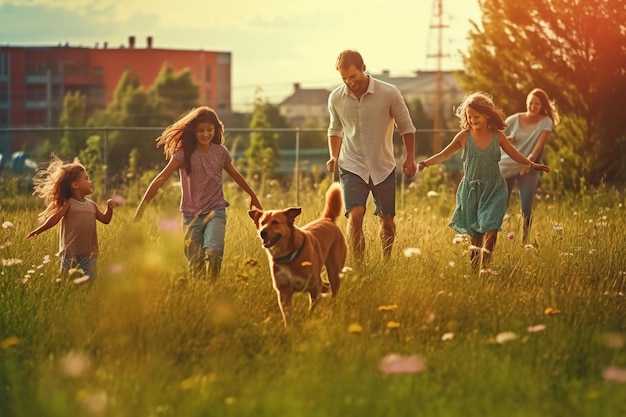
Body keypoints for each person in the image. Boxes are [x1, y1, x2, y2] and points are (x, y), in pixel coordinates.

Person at [417, 92, 550, 272]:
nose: (472, 120)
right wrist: (426, 163)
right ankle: (474, 271)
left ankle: (485, 268)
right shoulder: (464, 137)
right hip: (471, 190)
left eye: (476, 117)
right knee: (476, 235)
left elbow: (514, 153)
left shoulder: (498, 136)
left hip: (494, 187)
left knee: (491, 227)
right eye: (469, 117)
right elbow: (444, 154)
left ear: (487, 114)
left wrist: (531, 163)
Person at [133, 106, 262, 279]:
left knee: (214, 251)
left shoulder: (220, 152)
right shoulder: (183, 154)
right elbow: (160, 178)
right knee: (195, 264)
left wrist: (252, 195)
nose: (205, 134)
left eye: (210, 130)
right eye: (201, 130)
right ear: (193, 131)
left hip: (216, 210)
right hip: (190, 214)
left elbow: (235, 174)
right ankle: (201, 292)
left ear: (216, 130)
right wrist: (142, 206)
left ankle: (213, 285)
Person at [326, 49, 417, 263]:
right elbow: (335, 129)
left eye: (353, 77)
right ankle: (359, 265)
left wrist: (409, 157)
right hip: (351, 164)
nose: (350, 82)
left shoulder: (389, 93)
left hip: (382, 165)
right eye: (344, 78)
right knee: (355, 215)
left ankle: (386, 261)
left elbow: (407, 127)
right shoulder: (336, 98)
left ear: (363, 69)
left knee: (386, 221)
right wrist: (334, 156)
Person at [26, 155, 115, 279]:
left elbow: (106, 220)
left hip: (89, 253)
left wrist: (109, 209)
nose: (90, 181)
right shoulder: (69, 204)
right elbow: (55, 218)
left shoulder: (92, 205)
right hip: (70, 253)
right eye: (86, 178)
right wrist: (38, 230)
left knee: (88, 281)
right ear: (75, 185)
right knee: (67, 280)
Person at [499, 88, 560, 243]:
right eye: (530, 103)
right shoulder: (514, 119)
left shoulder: (546, 121)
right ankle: (492, 239)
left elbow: (539, 145)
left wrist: (529, 162)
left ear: (542, 106)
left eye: (536, 104)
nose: (532, 106)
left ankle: (524, 242)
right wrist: (509, 140)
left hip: (530, 166)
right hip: (508, 165)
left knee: (526, 208)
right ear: (527, 103)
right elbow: (497, 137)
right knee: (501, 205)